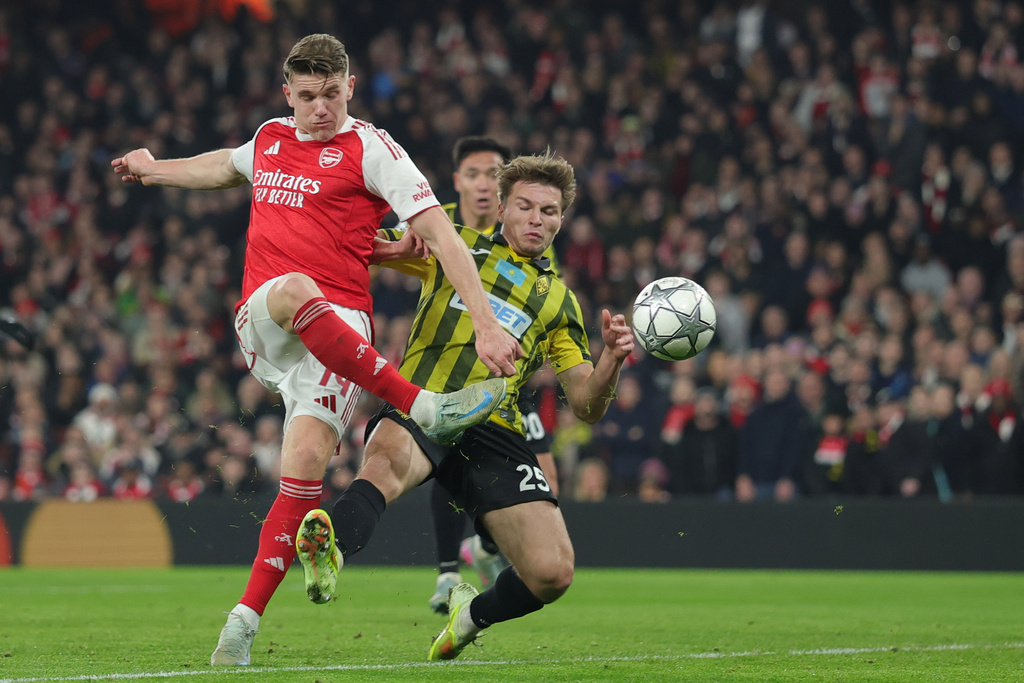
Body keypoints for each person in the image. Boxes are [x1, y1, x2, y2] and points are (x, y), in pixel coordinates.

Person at [111, 34, 521, 667]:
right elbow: (224, 165)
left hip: (342, 336)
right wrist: (152, 166)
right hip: (270, 316)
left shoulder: (374, 149)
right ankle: (424, 407)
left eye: (332, 94)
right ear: (288, 95)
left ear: (350, 88)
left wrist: (488, 323)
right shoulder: (271, 137)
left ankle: (241, 627)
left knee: (301, 472)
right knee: (300, 287)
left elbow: (439, 232)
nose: (321, 108)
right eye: (308, 96)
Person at [296, 152, 634, 662]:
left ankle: (470, 617)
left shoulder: (560, 301)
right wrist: (383, 248)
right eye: (525, 207)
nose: (536, 219)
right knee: (385, 463)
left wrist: (610, 359)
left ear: (562, 220)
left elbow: (586, 405)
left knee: (553, 572)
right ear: (501, 208)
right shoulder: (453, 244)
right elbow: (355, 248)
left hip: (495, 427)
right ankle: (331, 550)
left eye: (548, 211)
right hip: (426, 402)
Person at [420, 137, 560, 614]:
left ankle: (486, 545)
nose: (482, 185)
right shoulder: (438, 223)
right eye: (473, 175)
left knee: (548, 480)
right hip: (453, 370)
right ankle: (447, 572)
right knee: (447, 451)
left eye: (491, 174)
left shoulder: (531, 238)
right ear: (458, 182)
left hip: (510, 379)